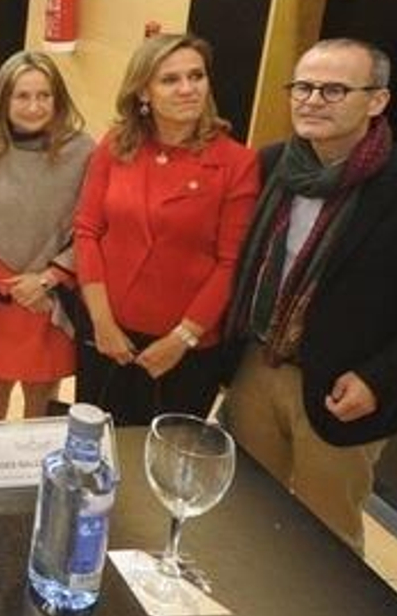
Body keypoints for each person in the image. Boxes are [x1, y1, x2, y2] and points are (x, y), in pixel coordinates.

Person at [221, 39, 397, 551]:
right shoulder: (268, 168)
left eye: (334, 89)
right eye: (304, 87)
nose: (312, 100)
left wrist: (378, 380)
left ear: (376, 101)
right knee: (244, 516)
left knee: (326, 544)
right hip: (255, 370)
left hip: (342, 395)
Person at [73, 33, 259, 426]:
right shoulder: (115, 145)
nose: (188, 88)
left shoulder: (236, 163)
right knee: (95, 450)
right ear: (144, 91)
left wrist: (182, 340)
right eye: (170, 80)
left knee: (163, 461)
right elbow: (87, 231)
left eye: (197, 76)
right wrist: (102, 323)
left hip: (184, 349)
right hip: (107, 337)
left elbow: (232, 264)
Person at [0, 52, 94, 420]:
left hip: (51, 297)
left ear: (59, 99)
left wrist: (48, 279)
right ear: (3, 100)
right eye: (22, 96)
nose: (34, 106)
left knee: (41, 391)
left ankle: (34, 469)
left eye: (44, 95)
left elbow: (91, 227)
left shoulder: (83, 152)